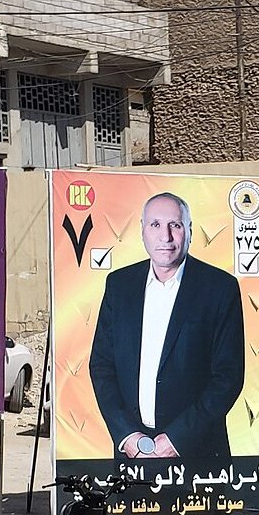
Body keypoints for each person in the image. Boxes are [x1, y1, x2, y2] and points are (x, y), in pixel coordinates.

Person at [88, 191, 244, 468]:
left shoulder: (219, 288)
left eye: (175, 225)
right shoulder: (119, 286)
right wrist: (127, 435)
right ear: (142, 232)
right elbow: (101, 366)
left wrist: (177, 438)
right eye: (156, 225)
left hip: (198, 455)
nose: (166, 237)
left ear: (190, 231)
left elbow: (228, 377)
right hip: (132, 453)